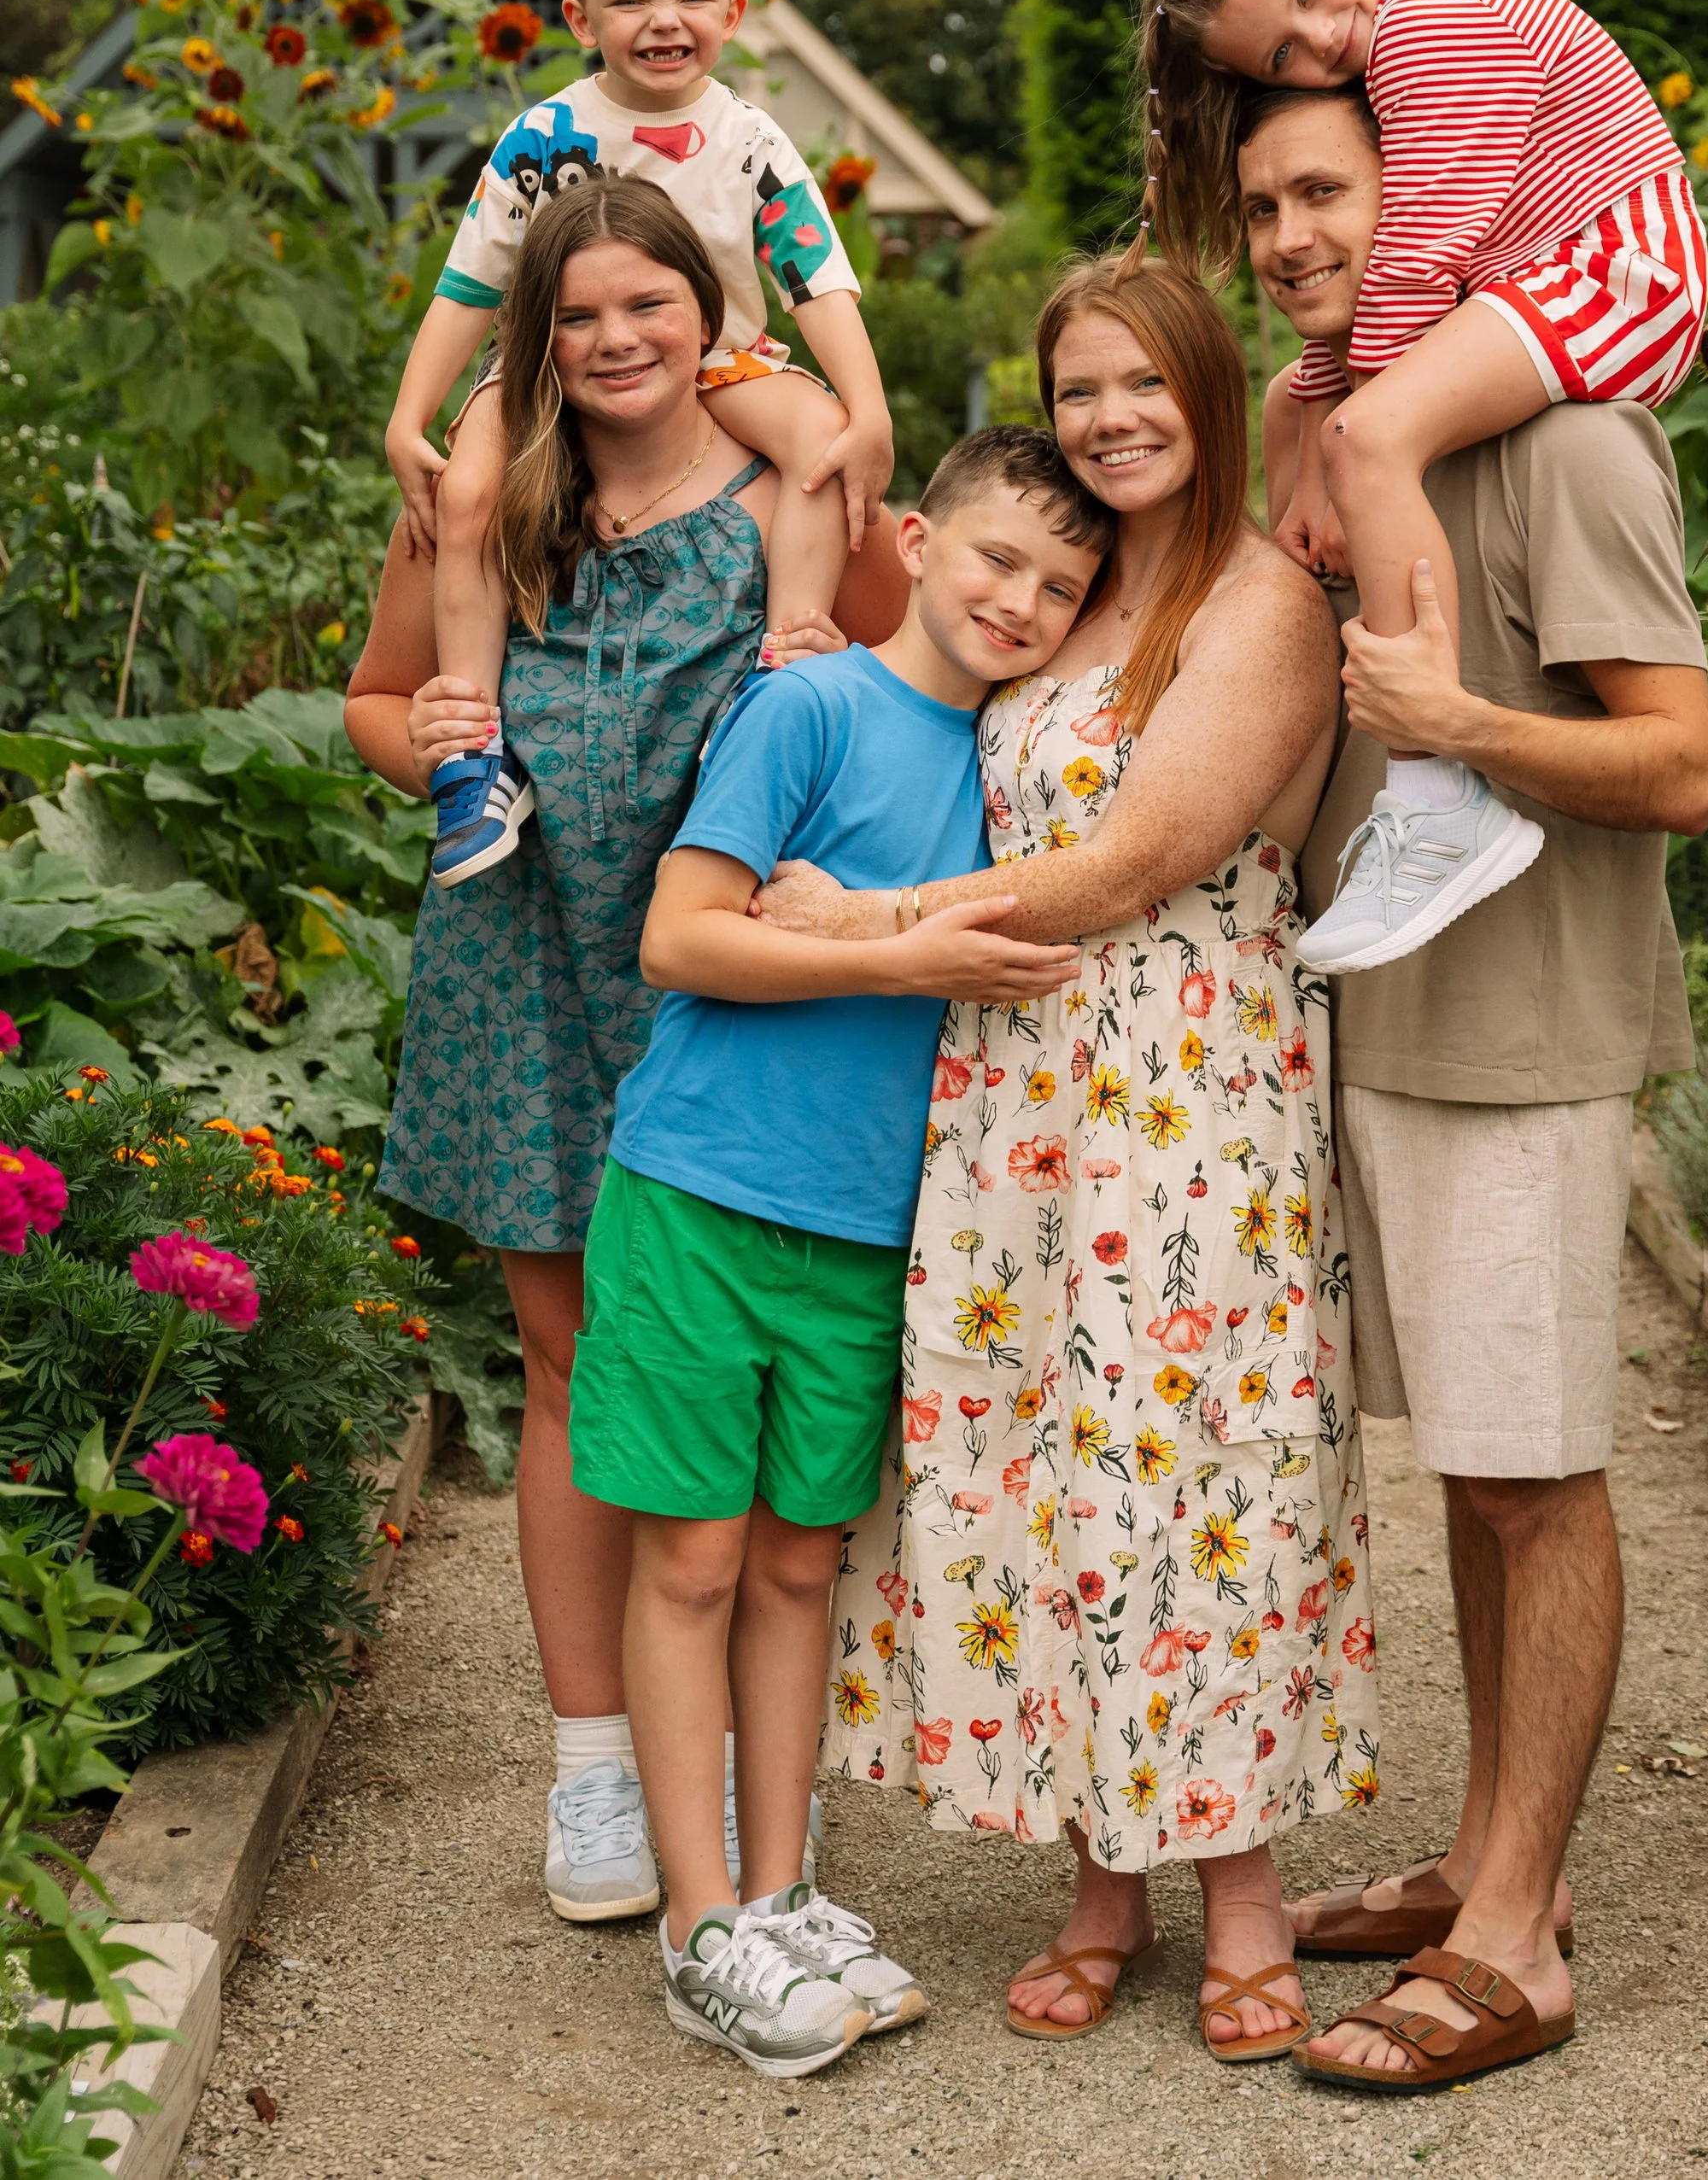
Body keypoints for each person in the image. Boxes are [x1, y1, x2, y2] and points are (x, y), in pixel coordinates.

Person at [769, 255, 1380, 2065]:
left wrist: (867, 918)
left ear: (1199, 388)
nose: (1109, 420)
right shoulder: (1071, 585)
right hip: (1015, 1091)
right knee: (1035, 1466)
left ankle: (1243, 1891)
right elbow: (851, 515)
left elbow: (1132, 864)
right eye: (1077, 391)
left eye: (1142, 387)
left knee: (1205, 1478)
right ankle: (1096, 1874)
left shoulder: (1254, 604)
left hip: (1189, 1106)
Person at [1231, 78, 1708, 2093]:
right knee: (1475, 1470)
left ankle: (1519, 1936)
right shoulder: (1352, 441)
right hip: (1389, 1022)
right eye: (1257, 200)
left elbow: (1682, 767)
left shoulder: (1576, 442)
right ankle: (1485, 1853)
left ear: (1426, 193)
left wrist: (1466, 722)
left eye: (1326, 187)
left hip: (1522, 1036)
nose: (1284, 230)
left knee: (1538, 1475)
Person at [353, 178, 904, 1935]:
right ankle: (595, 1763)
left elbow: (910, 677)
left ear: (703, 313)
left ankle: (745, 1766)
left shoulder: (791, 498)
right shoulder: (486, 497)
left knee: (741, 1363)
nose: (612, 343)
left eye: (643, 309)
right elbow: (373, 704)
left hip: (724, 984)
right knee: (568, 1348)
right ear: (539, 334)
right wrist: (427, 730)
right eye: (576, 317)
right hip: (527, 963)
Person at [568, 426, 1108, 2077]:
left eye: (1064, 588)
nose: (1021, 601)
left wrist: (884, 928)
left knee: (805, 1565)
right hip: (704, 1193)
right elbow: (680, 934)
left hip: (876, 1233)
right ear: (924, 535)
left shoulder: (1026, 760)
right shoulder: (808, 705)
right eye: (1001, 559)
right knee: (695, 1562)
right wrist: (908, 954)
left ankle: (786, 1891)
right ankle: (697, 1919)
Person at [1138, 0, 1708, 978]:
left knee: (1371, 437)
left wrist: (1332, 452)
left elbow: (1418, 254)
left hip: (1615, 275)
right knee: (1345, 424)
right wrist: (1311, 418)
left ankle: (1438, 794)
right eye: (1282, 60)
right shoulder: (1407, 35)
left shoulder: (1434, 24)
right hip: (1550, 276)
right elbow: (1377, 313)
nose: (1321, 39)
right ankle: (1429, 797)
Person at [384, 0, 894, 886]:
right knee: (473, 490)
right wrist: (411, 417)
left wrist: (867, 407)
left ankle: (778, 671)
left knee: (821, 445)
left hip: (721, 359)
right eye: (630, 2)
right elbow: (468, 280)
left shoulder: (748, 139)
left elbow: (814, 275)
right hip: (546, 361)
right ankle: (475, 755)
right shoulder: (544, 137)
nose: (664, 22)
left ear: (733, 13)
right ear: (581, 18)